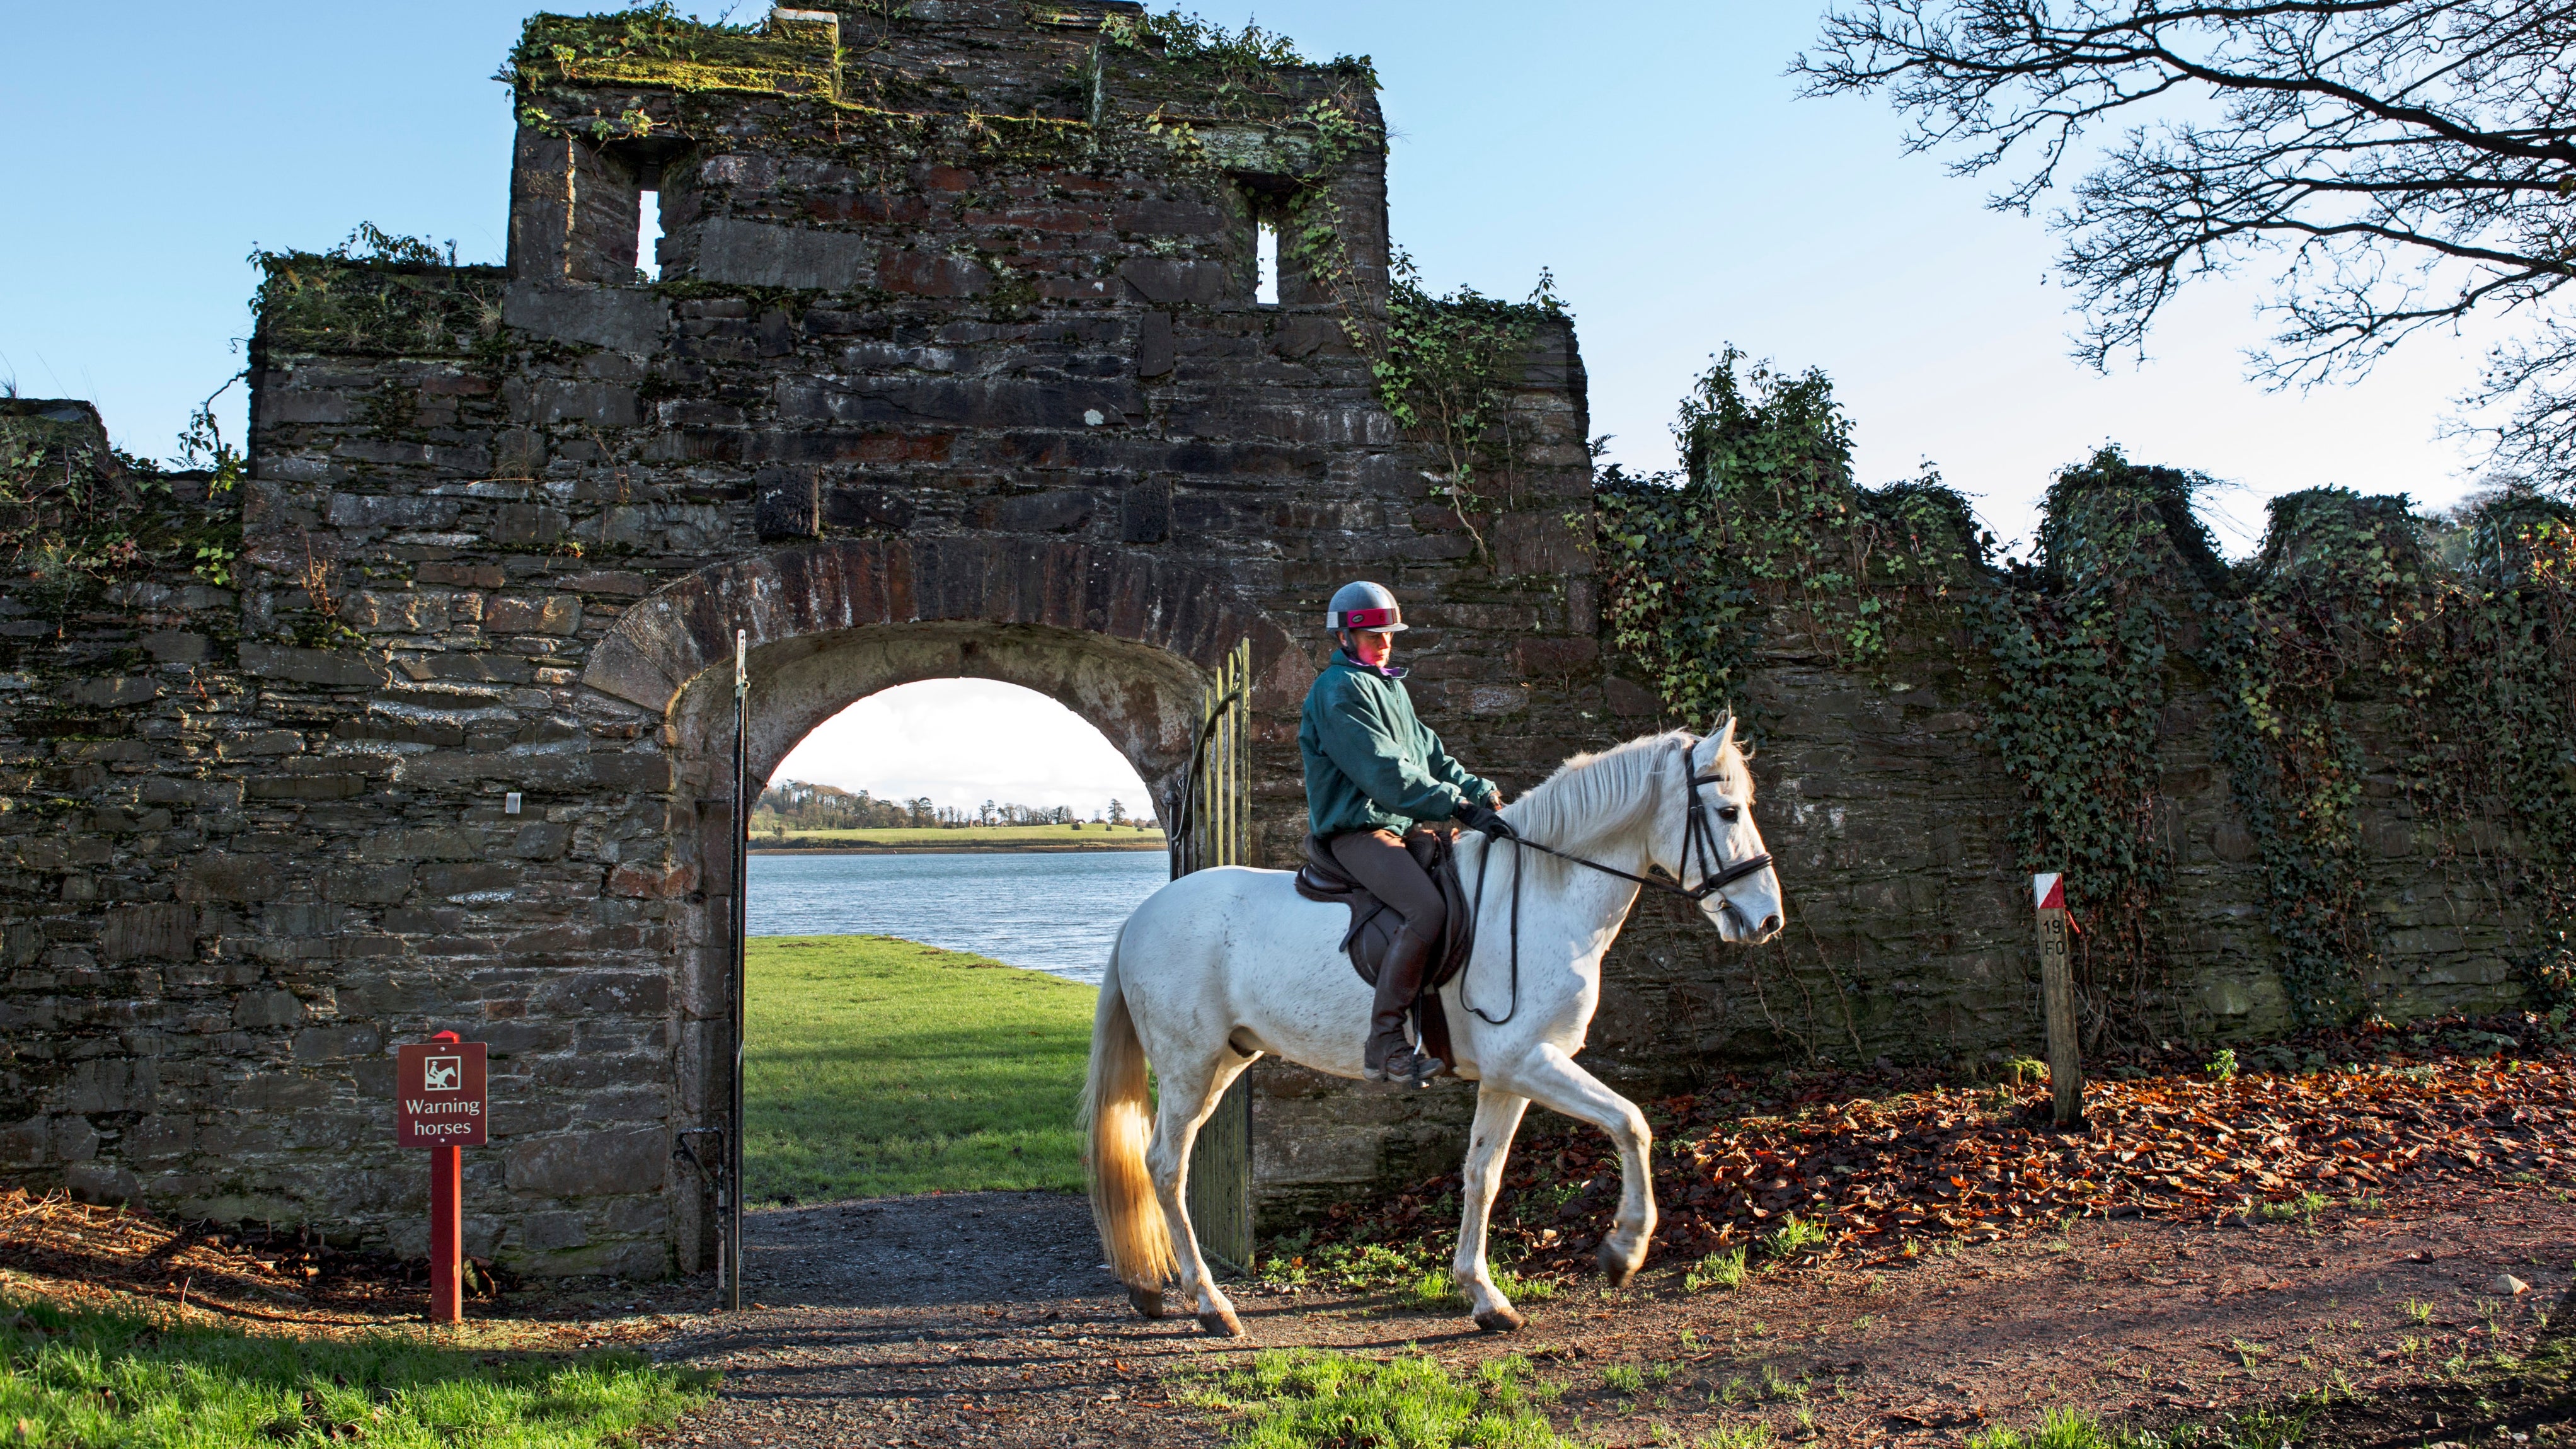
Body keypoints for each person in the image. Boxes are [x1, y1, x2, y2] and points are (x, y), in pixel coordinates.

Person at [1298, 580, 1514, 1086]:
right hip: (1358, 834)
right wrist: (1455, 806)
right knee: (1428, 908)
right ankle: (1385, 1042)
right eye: (1374, 635)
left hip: (1399, 830)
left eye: (1389, 633)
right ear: (1346, 638)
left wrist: (1483, 794)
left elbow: (1433, 758)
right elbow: (1385, 773)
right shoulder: (1337, 692)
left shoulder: (1389, 685)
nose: (1385, 642)